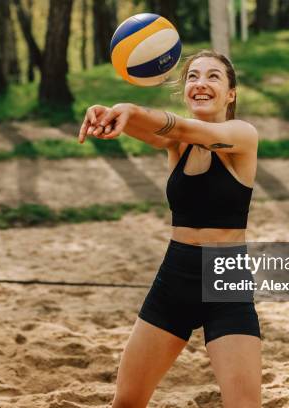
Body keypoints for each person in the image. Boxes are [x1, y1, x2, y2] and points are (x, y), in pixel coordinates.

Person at [77, 50, 261, 408]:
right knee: (127, 402)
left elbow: (178, 125)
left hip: (226, 281)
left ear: (231, 93)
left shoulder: (241, 135)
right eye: (192, 76)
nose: (200, 84)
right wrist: (109, 113)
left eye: (213, 77)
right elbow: (155, 129)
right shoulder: (177, 144)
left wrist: (128, 107)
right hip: (175, 276)